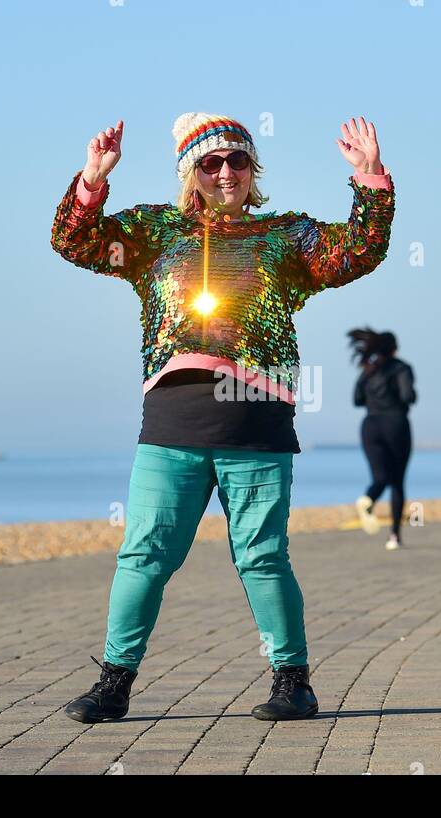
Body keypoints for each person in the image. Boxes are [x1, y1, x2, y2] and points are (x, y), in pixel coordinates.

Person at [49, 113, 395, 721]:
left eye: (237, 160)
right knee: (144, 556)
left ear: (252, 169)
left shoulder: (286, 236)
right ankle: (115, 683)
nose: (226, 172)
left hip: (256, 423)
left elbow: (359, 252)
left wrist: (369, 178)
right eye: (210, 163)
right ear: (191, 173)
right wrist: (93, 180)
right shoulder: (154, 232)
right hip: (172, 423)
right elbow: (74, 243)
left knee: (262, 556)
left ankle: (293, 683)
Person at [350, 328, 416, 550]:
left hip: (370, 426)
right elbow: (408, 396)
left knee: (380, 477)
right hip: (396, 424)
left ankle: (368, 499)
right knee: (397, 481)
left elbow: (357, 400)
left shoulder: (368, 370)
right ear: (395, 348)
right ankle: (394, 537)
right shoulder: (402, 368)